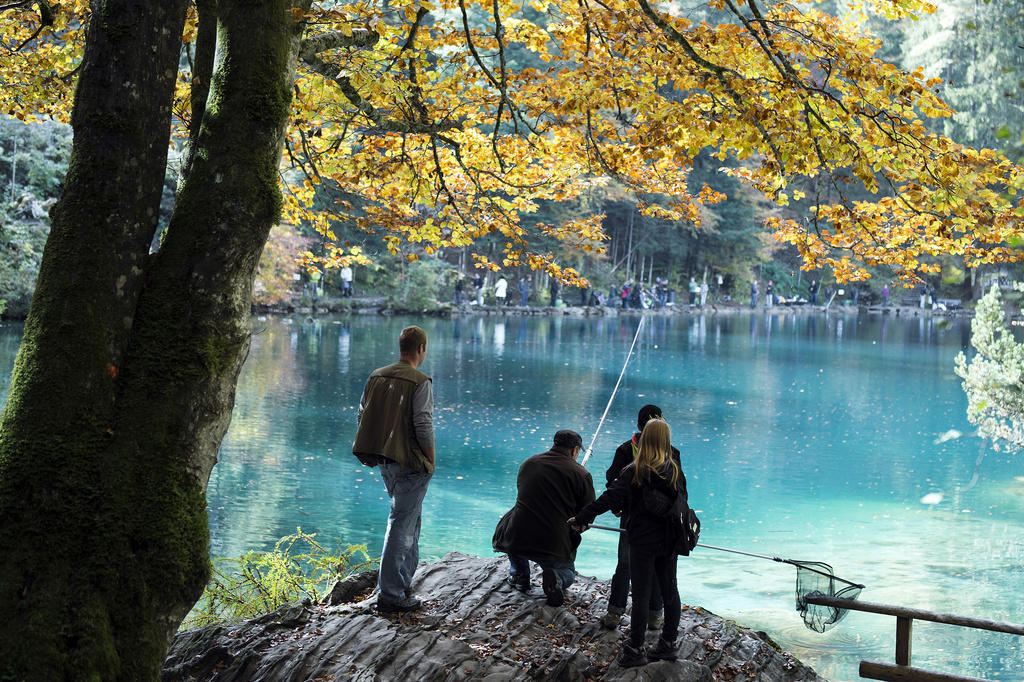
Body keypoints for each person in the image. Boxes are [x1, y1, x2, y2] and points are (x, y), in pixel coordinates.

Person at [571, 419, 686, 668]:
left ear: (644, 439)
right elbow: (682, 505)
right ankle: (668, 644)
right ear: (666, 440)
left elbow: (610, 497)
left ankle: (636, 649)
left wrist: (582, 516)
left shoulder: (635, 469)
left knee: (642, 595)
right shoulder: (675, 469)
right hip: (670, 540)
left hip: (643, 541)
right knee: (670, 592)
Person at [352, 326, 436, 613]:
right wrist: (431, 460)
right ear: (421, 349)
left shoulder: (377, 375)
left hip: (386, 460)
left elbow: (362, 414)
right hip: (412, 462)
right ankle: (390, 594)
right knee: (401, 523)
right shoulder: (419, 381)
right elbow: (423, 425)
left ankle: (401, 583)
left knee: (410, 520)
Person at [598, 405, 680, 631]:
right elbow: (679, 492)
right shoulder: (672, 453)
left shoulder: (626, 449)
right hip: (662, 524)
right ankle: (653, 617)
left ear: (638, 425)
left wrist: (616, 507)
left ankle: (616, 614)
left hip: (634, 521)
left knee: (625, 565)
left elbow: (613, 482)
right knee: (655, 570)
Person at [493, 430, 595, 607]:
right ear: (574, 450)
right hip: (553, 542)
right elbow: (588, 512)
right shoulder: (581, 474)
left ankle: (520, 575)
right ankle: (558, 579)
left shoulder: (529, 463)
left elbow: (524, 494)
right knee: (569, 573)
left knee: (514, 515)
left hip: (518, 536)